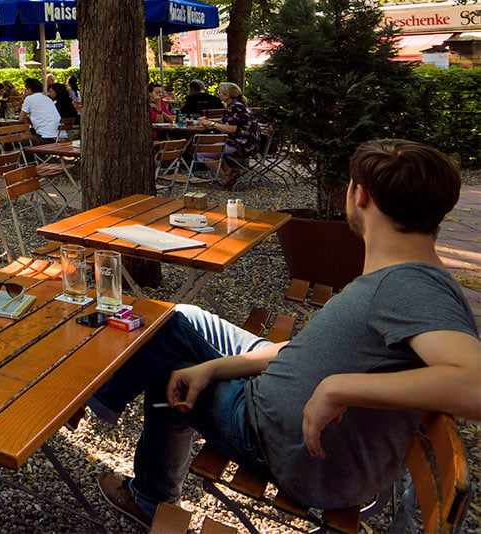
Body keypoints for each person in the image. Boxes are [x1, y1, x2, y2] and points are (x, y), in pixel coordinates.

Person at [91, 139, 480, 527]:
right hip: (292, 398)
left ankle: (132, 475)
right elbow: (320, 351)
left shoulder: (407, 286)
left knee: (167, 368)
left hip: (284, 446)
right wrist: (214, 368)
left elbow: (476, 385)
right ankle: (96, 400)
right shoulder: (412, 274)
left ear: (358, 195)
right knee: (181, 317)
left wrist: (338, 389)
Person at [197, 82, 261, 186]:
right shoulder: (241, 105)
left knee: (202, 153)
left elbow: (231, 128)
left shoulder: (232, 108)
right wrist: (210, 120)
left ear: (227, 95)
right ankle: (229, 173)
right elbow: (231, 120)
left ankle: (225, 178)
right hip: (251, 144)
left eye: (220, 93)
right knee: (214, 150)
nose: (219, 95)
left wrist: (211, 124)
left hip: (240, 145)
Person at [19, 77, 61, 143]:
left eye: (26, 89)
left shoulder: (29, 98)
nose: (25, 91)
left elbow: (21, 119)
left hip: (44, 137)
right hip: (58, 136)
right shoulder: (47, 98)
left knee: (14, 141)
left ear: (29, 90)